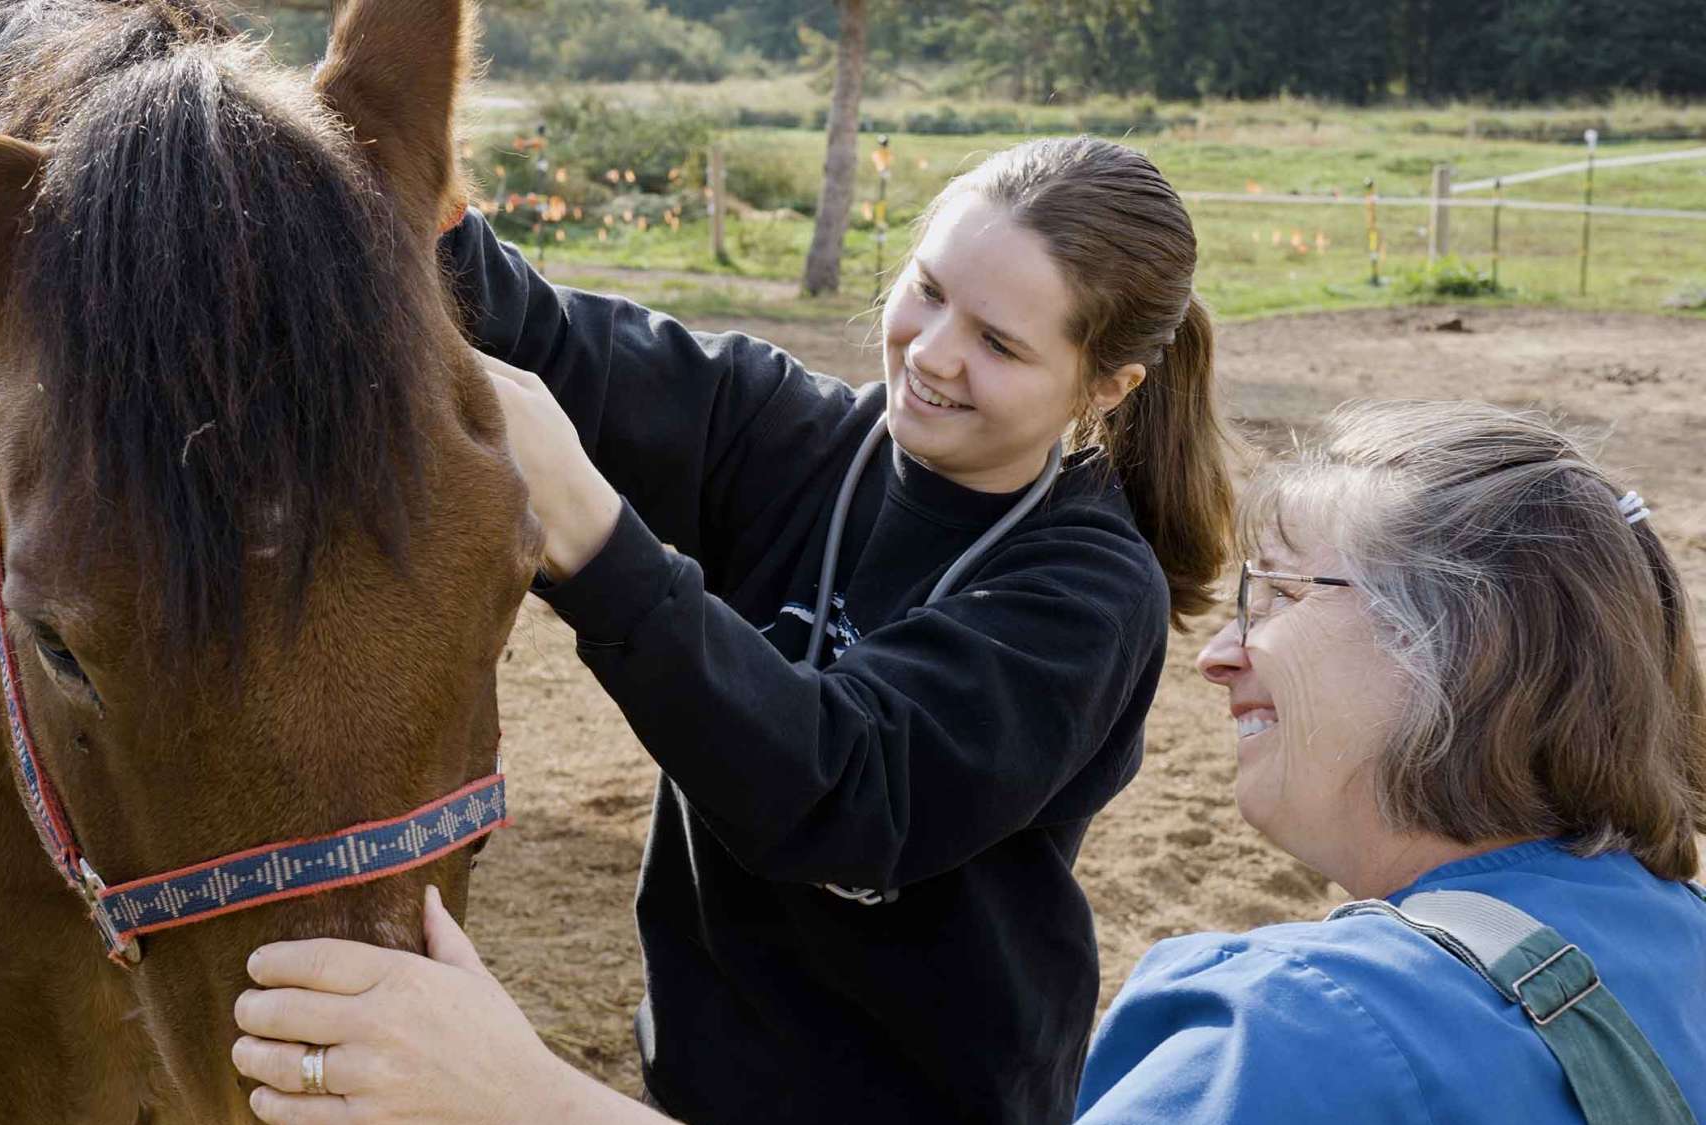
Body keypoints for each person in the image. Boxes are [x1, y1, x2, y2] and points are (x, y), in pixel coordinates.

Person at [231, 135, 1234, 1124]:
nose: (930, 356)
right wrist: (398, 177)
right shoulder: (791, 440)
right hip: (689, 1090)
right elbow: (548, 342)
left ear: (1106, 384)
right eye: (927, 291)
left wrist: (596, 543)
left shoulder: (1087, 595)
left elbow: (843, 792)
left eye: (998, 343)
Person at [1077, 400, 1706, 1122]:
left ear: (1464, 650)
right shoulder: (1683, 946)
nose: (1217, 656)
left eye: (1278, 593)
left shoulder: (1296, 1038)